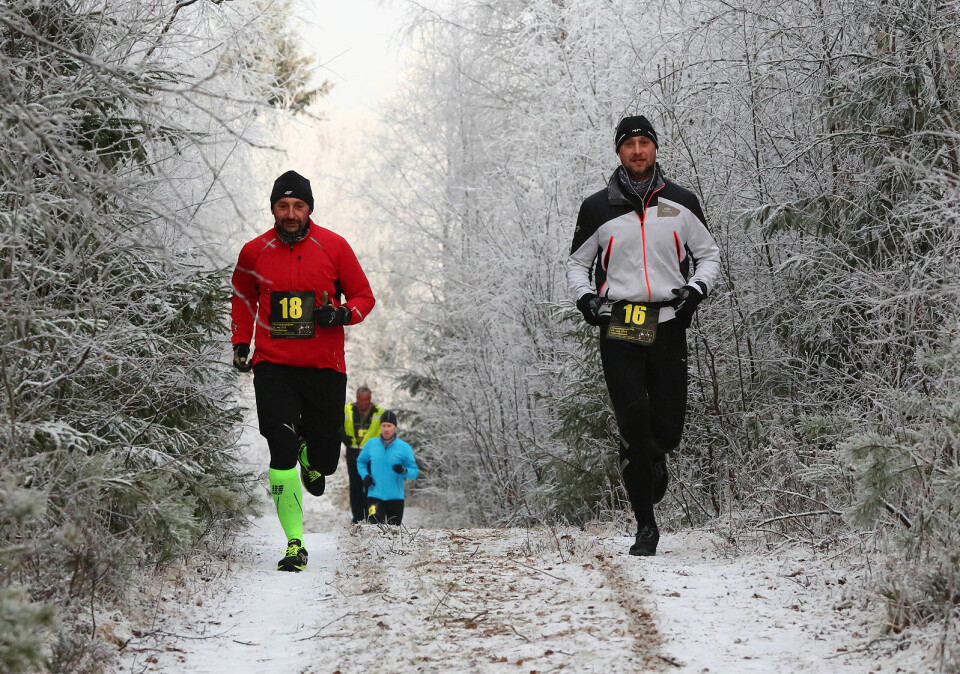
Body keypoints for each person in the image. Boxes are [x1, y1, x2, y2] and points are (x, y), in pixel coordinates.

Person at [566, 115, 721, 556]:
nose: (637, 151)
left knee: (667, 429)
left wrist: (695, 290)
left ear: (655, 149)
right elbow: (577, 264)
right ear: (619, 152)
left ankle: (655, 456)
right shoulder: (597, 207)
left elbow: (709, 255)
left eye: (644, 143)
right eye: (629, 144)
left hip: (669, 321)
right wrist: (586, 299)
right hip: (622, 322)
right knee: (634, 425)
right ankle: (646, 527)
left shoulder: (681, 201)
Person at [231, 170, 375, 571]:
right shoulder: (254, 251)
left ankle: (311, 455)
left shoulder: (334, 247)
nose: (290, 213)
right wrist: (241, 341)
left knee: (327, 462)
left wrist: (343, 313)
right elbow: (242, 299)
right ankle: (294, 543)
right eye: (283, 206)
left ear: (309, 208)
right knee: (279, 449)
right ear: (273, 209)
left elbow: (365, 296)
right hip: (273, 366)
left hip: (323, 367)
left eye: (298, 205)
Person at [356, 410, 418, 525]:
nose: (386, 429)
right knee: (374, 530)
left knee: (392, 536)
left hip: (395, 498)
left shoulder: (404, 448)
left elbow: (415, 472)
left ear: (395, 427)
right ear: (380, 427)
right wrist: (365, 476)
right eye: (383, 425)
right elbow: (360, 462)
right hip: (374, 496)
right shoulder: (371, 444)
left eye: (389, 426)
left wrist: (404, 471)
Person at [342, 386, 385, 523]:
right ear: (356, 398)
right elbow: (337, 424)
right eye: (361, 400)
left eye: (366, 400)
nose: (363, 403)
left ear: (370, 399)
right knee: (355, 486)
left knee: (372, 486)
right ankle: (358, 518)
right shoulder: (347, 410)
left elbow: (386, 433)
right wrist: (342, 436)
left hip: (372, 455)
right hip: (353, 452)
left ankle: (372, 516)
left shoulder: (380, 413)